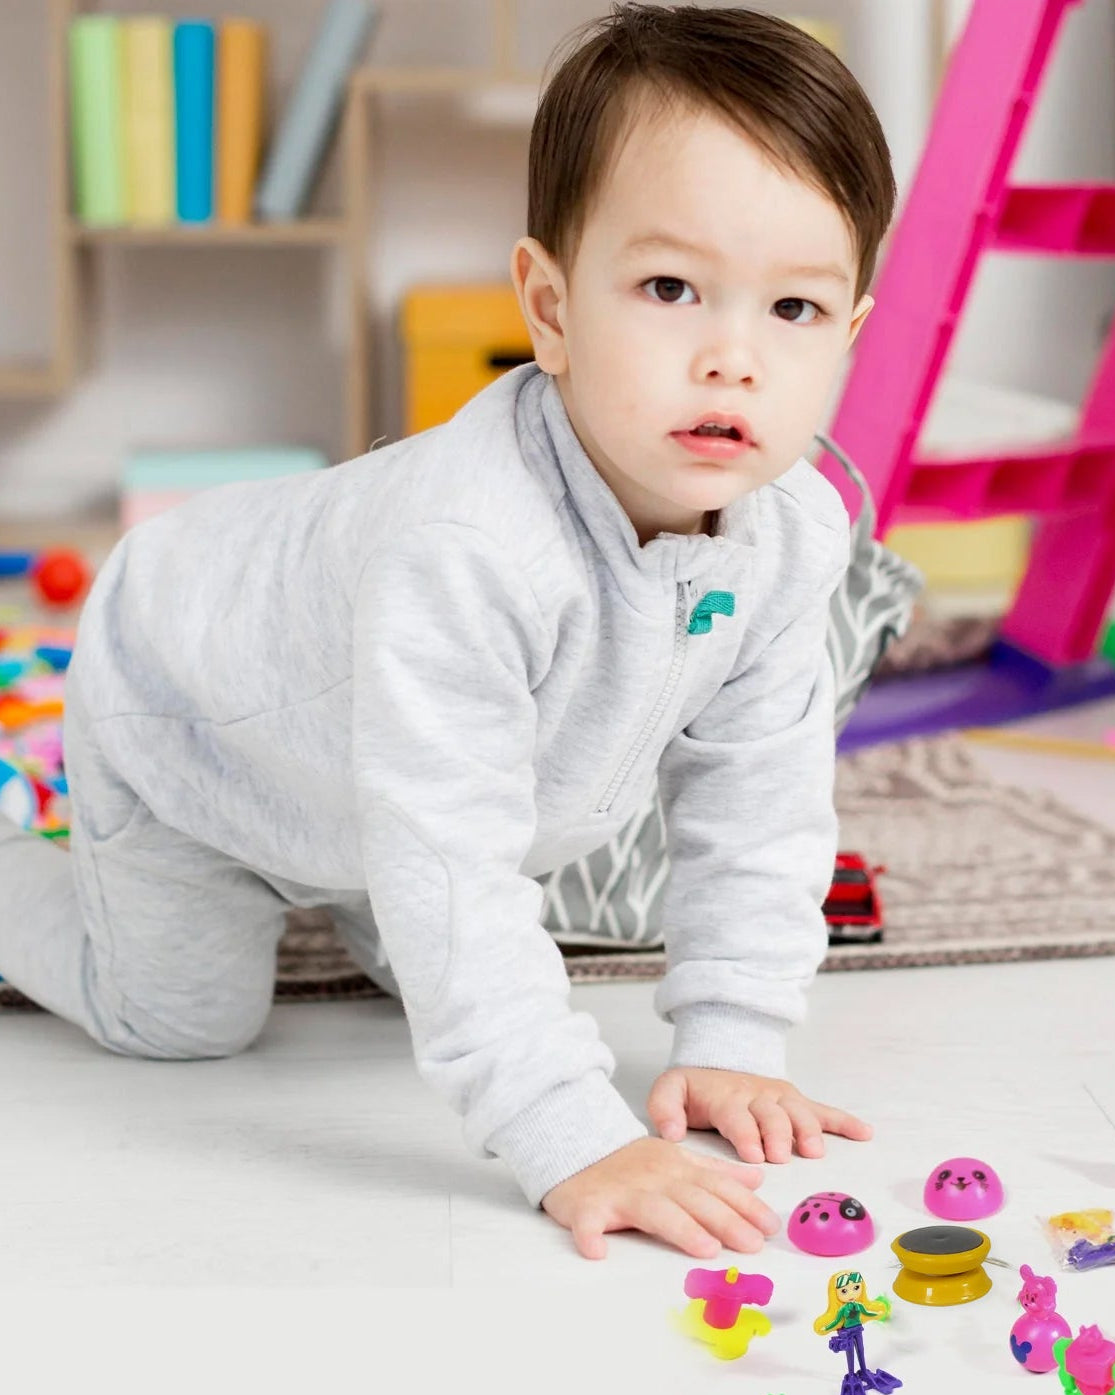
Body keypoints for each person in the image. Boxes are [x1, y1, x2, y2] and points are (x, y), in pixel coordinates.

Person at [0, 4, 896, 1260]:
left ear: (849, 333)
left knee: (424, 941)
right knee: (183, 1022)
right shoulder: (474, 543)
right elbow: (451, 864)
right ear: (549, 303)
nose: (728, 358)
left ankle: (349, 881)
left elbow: (760, 797)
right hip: (191, 718)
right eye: (667, 287)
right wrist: (568, 1134)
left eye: (792, 310)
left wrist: (735, 1041)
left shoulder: (791, 533)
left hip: (366, 761)